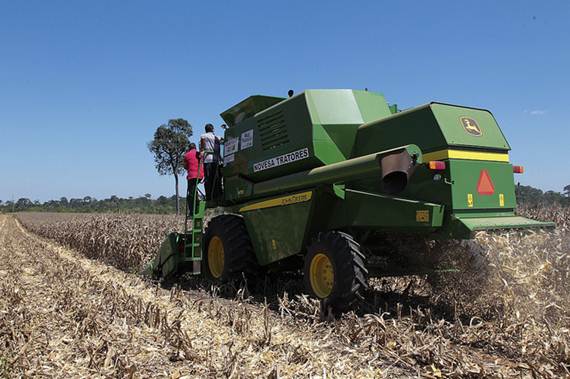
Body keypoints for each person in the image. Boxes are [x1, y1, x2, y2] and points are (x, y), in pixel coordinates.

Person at [200, 123, 222, 201]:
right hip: (216, 160)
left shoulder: (203, 136)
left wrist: (201, 153)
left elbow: (202, 148)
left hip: (207, 159)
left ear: (205, 129)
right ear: (212, 129)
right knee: (216, 178)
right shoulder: (217, 137)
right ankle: (218, 195)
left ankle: (209, 196)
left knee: (208, 178)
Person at [183, 143, 203, 216]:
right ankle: (197, 199)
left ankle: (192, 211)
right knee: (194, 190)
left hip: (192, 176)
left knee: (190, 195)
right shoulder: (199, 154)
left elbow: (185, 166)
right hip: (200, 175)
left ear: (189, 148)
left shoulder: (186, 155)